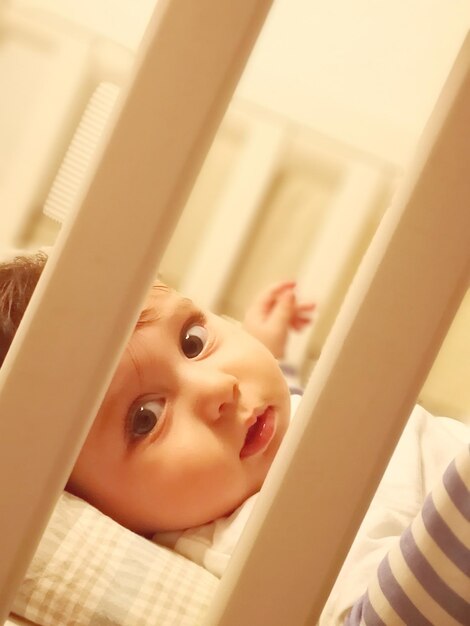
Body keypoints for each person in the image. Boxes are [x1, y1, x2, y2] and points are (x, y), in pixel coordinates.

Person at [1, 251, 469, 625]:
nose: (218, 388)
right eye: (146, 418)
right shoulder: (255, 538)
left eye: (193, 341)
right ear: (98, 510)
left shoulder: (263, 449)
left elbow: (290, 406)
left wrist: (272, 350)